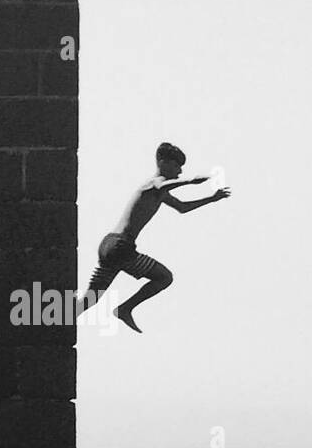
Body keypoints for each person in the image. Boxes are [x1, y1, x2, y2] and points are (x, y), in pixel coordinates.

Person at [77, 142, 231, 333]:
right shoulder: (153, 183)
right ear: (162, 162)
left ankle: (57, 319)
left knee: (89, 299)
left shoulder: (160, 193)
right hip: (121, 246)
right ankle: (125, 309)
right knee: (164, 277)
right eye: (177, 166)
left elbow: (182, 208)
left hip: (109, 245)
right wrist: (191, 180)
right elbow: (162, 184)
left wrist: (212, 198)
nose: (180, 171)